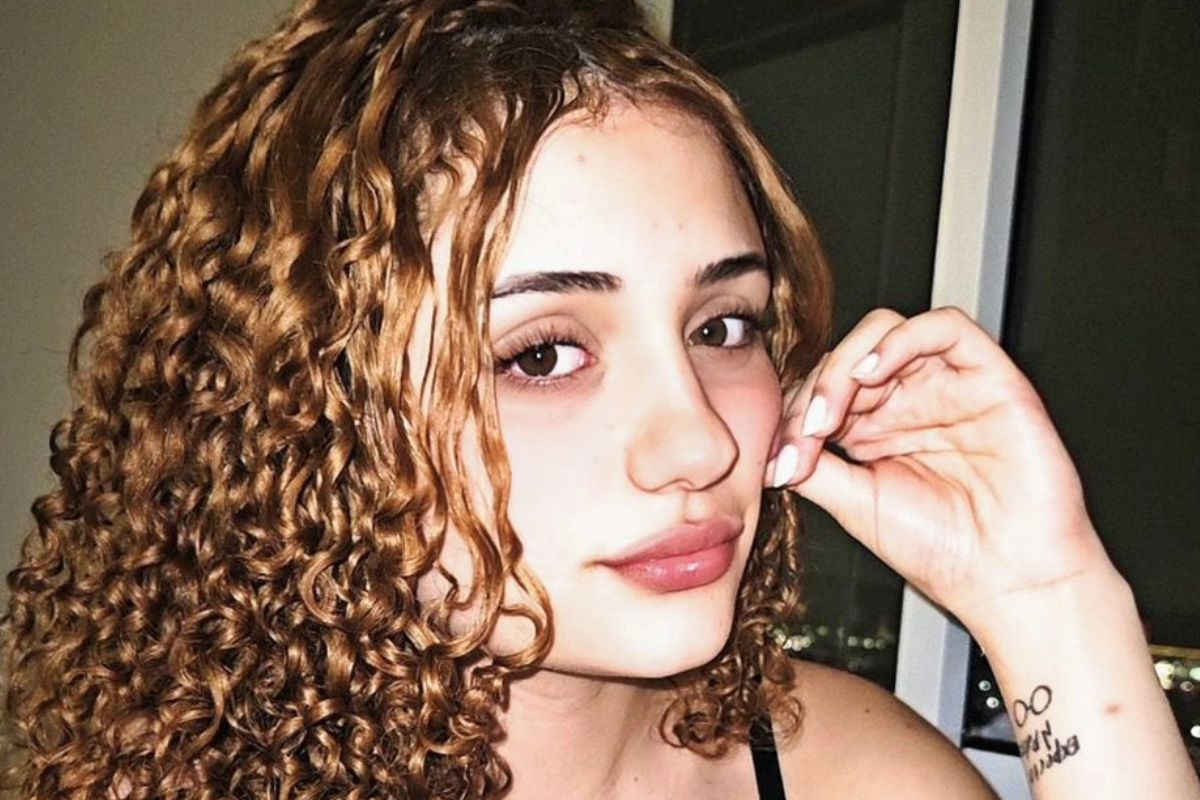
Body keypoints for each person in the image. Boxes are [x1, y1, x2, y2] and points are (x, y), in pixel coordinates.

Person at [1, 1, 1195, 798]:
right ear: (303, 414)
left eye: (722, 326)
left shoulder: (849, 772)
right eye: (542, 354)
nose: (700, 439)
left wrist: (1049, 599)